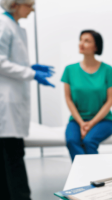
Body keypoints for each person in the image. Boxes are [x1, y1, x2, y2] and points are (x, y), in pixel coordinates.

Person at [0, 0, 55, 199]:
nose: (32, 9)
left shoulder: (14, 27)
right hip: (6, 103)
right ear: (14, 4)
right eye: (29, 4)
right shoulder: (3, 25)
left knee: (10, 155)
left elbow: (12, 60)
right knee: (12, 156)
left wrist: (31, 67)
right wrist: (31, 73)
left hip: (12, 99)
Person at [61, 30, 112, 162]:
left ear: (96, 47)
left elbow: (110, 101)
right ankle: (85, 175)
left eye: (87, 41)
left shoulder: (108, 70)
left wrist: (91, 123)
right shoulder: (69, 70)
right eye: (81, 40)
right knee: (71, 140)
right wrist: (81, 123)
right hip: (77, 120)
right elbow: (68, 99)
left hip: (103, 120)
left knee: (89, 141)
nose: (81, 44)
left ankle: (95, 176)